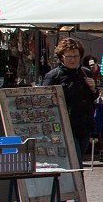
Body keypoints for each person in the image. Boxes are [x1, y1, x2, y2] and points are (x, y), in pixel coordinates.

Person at [41, 37, 98, 165]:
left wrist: (93, 89)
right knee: (75, 162)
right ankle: (78, 185)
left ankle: (76, 185)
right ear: (61, 57)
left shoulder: (85, 72)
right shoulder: (54, 75)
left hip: (84, 126)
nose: (72, 60)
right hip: (66, 126)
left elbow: (93, 98)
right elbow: (43, 100)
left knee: (77, 161)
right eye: (68, 57)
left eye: (76, 56)